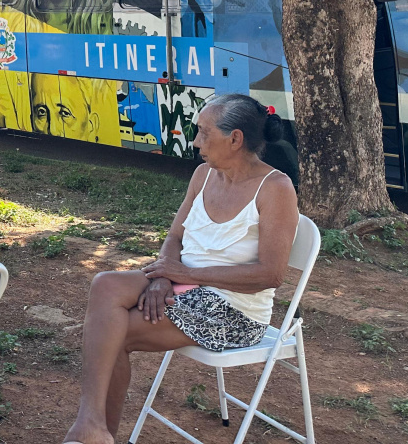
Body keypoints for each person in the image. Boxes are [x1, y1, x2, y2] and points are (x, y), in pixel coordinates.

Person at [63, 94, 299, 444]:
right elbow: (175, 236)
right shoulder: (204, 174)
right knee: (106, 284)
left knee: (116, 334)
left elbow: (270, 275)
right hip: (184, 285)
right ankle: (91, 425)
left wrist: (183, 275)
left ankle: (95, 432)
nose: (196, 141)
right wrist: (163, 276)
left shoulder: (275, 189)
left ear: (235, 139)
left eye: (204, 133)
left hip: (234, 311)